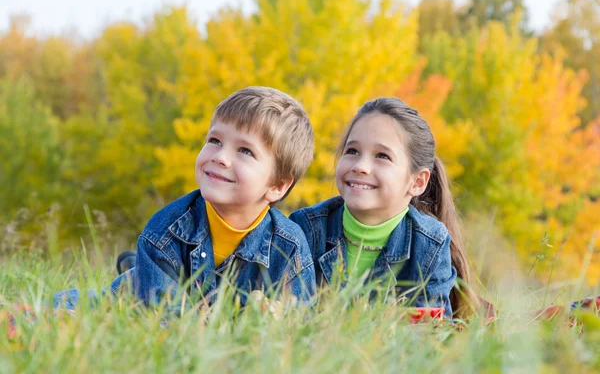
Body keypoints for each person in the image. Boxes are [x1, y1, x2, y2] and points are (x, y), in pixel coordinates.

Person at [54, 86, 316, 309]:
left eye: (245, 151)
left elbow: (299, 325)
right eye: (214, 140)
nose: (220, 157)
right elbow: (162, 323)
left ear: (278, 185)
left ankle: (133, 263)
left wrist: (273, 319)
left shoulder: (289, 246)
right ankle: (134, 271)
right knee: (102, 306)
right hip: (143, 297)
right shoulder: (165, 231)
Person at [289, 97, 477, 318]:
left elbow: (431, 335)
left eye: (382, 156)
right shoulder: (304, 228)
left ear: (417, 182)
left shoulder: (428, 244)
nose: (360, 166)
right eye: (352, 151)